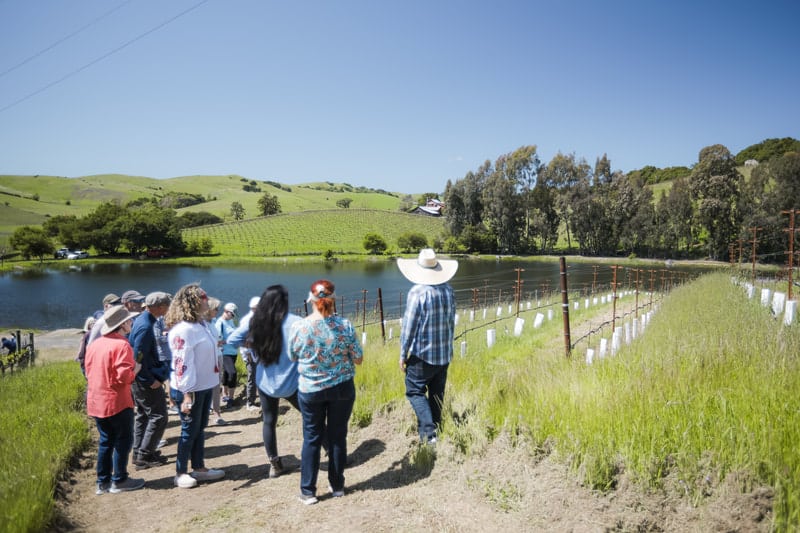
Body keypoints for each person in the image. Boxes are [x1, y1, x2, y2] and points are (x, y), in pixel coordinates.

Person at [289, 279, 362, 504]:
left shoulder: (299, 327)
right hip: (342, 388)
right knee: (338, 436)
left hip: (311, 390)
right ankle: (337, 485)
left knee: (312, 437)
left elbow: (292, 356)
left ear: (310, 299)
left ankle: (308, 491)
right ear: (334, 299)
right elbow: (358, 359)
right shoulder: (345, 326)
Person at [165, 283, 225, 489]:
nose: (207, 300)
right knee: (189, 430)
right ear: (192, 302)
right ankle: (180, 472)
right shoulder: (184, 330)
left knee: (200, 428)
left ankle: (199, 468)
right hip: (190, 389)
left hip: (205, 385)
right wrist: (187, 394)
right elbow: (182, 364)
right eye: (203, 297)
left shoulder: (202, 325)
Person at [397, 248, 458, 447]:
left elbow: (408, 327)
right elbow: (451, 321)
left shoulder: (418, 293)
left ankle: (430, 435)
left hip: (422, 354)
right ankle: (435, 429)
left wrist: (403, 353)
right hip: (444, 353)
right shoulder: (448, 290)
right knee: (437, 393)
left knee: (414, 391)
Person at [84, 304, 145, 495]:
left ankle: (102, 482)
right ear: (122, 324)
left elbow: (88, 371)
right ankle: (119, 479)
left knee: (105, 440)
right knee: (123, 441)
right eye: (129, 320)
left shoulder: (94, 344)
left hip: (96, 400)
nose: (131, 322)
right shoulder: (121, 345)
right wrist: (136, 369)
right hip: (116, 401)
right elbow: (123, 377)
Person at [244, 285, 301, 478]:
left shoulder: (257, 323)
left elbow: (234, 338)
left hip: (265, 382)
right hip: (293, 382)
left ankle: (274, 463)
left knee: (269, 421)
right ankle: (330, 453)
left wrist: (249, 344)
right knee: (313, 418)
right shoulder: (296, 322)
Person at [129, 291, 171, 469]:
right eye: (167, 305)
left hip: (140, 377)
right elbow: (138, 355)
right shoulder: (146, 326)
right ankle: (144, 455)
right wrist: (149, 380)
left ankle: (140, 452)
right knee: (158, 415)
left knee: (144, 416)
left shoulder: (143, 320)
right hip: (144, 379)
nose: (169, 309)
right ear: (160, 307)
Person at [227, 297, 260, 412]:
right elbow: (242, 339)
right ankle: (250, 402)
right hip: (250, 355)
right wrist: (248, 353)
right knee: (252, 377)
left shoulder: (257, 318)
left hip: (257, 353)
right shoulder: (248, 320)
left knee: (258, 376)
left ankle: (256, 399)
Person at [204, 297, 227, 425]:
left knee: (216, 385)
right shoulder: (201, 323)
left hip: (217, 355)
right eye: (215, 309)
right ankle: (205, 412)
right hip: (207, 358)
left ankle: (217, 413)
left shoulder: (213, 321)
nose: (218, 311)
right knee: (206, 386)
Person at [214, 301, 239, 410]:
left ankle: (224, 394)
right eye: (232, 314)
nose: (233, 316)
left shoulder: (231, 321)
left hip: (233, 352)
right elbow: (217, 341)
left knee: (226, 373)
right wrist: (229, 340)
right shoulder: (220, 323)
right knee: (232, 373)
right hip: (225, 352)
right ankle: (230, 398)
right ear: (226, 312)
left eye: (234, 315)